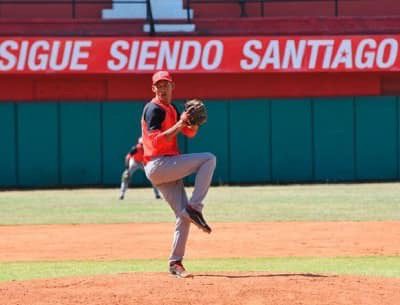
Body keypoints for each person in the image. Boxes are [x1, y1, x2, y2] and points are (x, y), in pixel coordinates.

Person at [141, 70, 216, 278]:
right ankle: (196, 207)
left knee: (183, 216)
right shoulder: (153, 109)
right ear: (153, 88)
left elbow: (189, 133)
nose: (163, 88)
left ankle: (176, 263)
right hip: (159, 164)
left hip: (167, 166)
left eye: (166, 84)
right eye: (159, 85)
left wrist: (194, 123)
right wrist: (181, 122)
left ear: (173, 86)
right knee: (209, 158)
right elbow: (157, 141)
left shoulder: (172, 108)